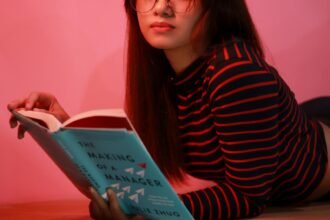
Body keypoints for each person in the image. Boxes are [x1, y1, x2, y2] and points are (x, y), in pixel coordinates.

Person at [7, 0, 330, 219]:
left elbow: (249, 196)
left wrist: (149, 213)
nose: (161, 6)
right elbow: (134, 176)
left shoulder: (235, 72)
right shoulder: (166, 79)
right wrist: (65, 131)